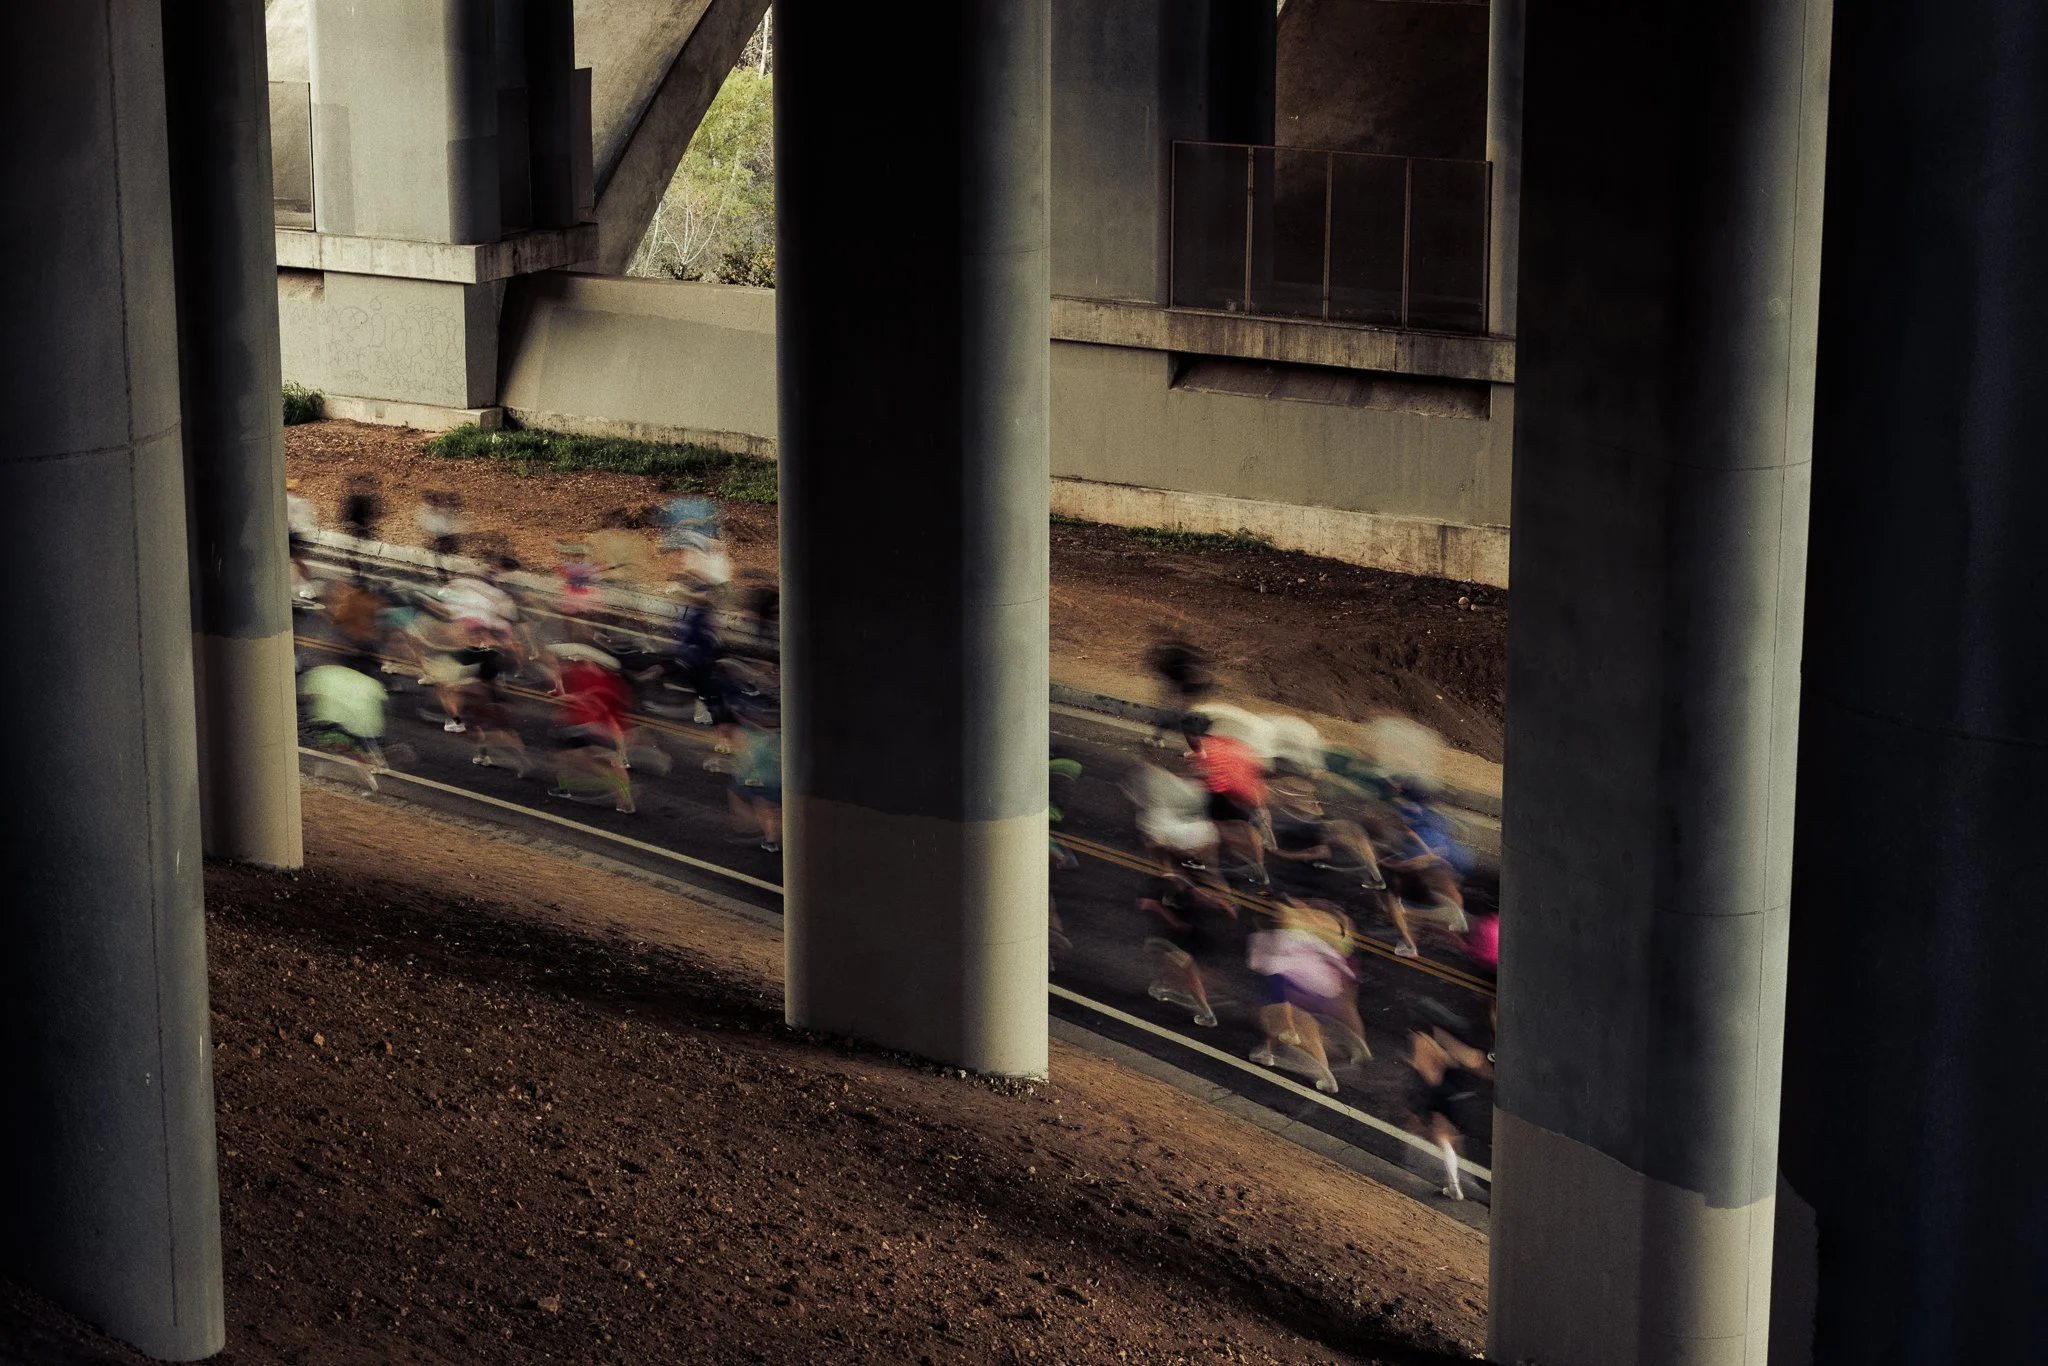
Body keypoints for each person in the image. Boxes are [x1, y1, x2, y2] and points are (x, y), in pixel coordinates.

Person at [1404, 1000, 1494, 1201]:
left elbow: (1432, 1075)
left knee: (1442, 1137)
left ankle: (1455, 1184)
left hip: (1442, 1095)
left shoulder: (1422, 1041)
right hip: (1457, 1095)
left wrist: (1418, 1069)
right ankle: (1456, 1181)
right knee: (1449, 1139)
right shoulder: (1441, 1043)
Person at [1180, 712, 1271, 887]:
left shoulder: (1204, 748)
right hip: (1251, 791)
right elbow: (1256, 764)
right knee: (1248, 826)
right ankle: (1260, 868)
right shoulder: (1225, 741)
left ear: (1192, 733)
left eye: (1186, 733)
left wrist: (1195, 780)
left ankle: (1204, 859)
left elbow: (1214, 782)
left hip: (1230, 792)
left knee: (1212, 825)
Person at [1137, 867, 1235, 1028]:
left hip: (1175, 942)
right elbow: (1146, 904)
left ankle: (1208, 1014)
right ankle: (1167, 986)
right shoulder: (1178, 889)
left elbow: (1148, 905)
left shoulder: (1185, 891)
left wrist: (1223, 903)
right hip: (1170, 940)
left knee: (1189, 975)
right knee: (1169, 962)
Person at [546, 643, 635, 813]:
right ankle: (626, 802)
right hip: (607, 728)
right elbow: (618, 707)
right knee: (614, 763)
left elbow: (576, 698)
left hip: (583, 726)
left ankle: (565, 787)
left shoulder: (575, 672)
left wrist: (562, 699)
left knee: (566, 757)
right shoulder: (611, 681)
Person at [299, 662, 390, 790]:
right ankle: (373, 766)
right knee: (356, 749)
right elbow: (383, 698)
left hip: (342, 721)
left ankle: (368, 770)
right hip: (367, 724)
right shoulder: (370, 683)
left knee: (343, 749)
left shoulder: (320, 673)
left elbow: (309, 696)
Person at [1144, 636, 1213, 746]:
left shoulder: (1177, 653)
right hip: (1184, 690)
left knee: (1176, 718)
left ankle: (1158, 739)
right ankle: (1158, 739)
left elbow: (1169, 671)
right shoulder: (1188, 654)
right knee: (1176, 717)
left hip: (1181, 691)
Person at [285, 478, 320, 605]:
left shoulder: (287, 500)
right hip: (298, 534)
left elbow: (288, 520)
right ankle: (306, 588)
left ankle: (302, 589)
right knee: (298, 563)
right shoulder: (299, 501)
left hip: (291, 534)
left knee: (292, 563)